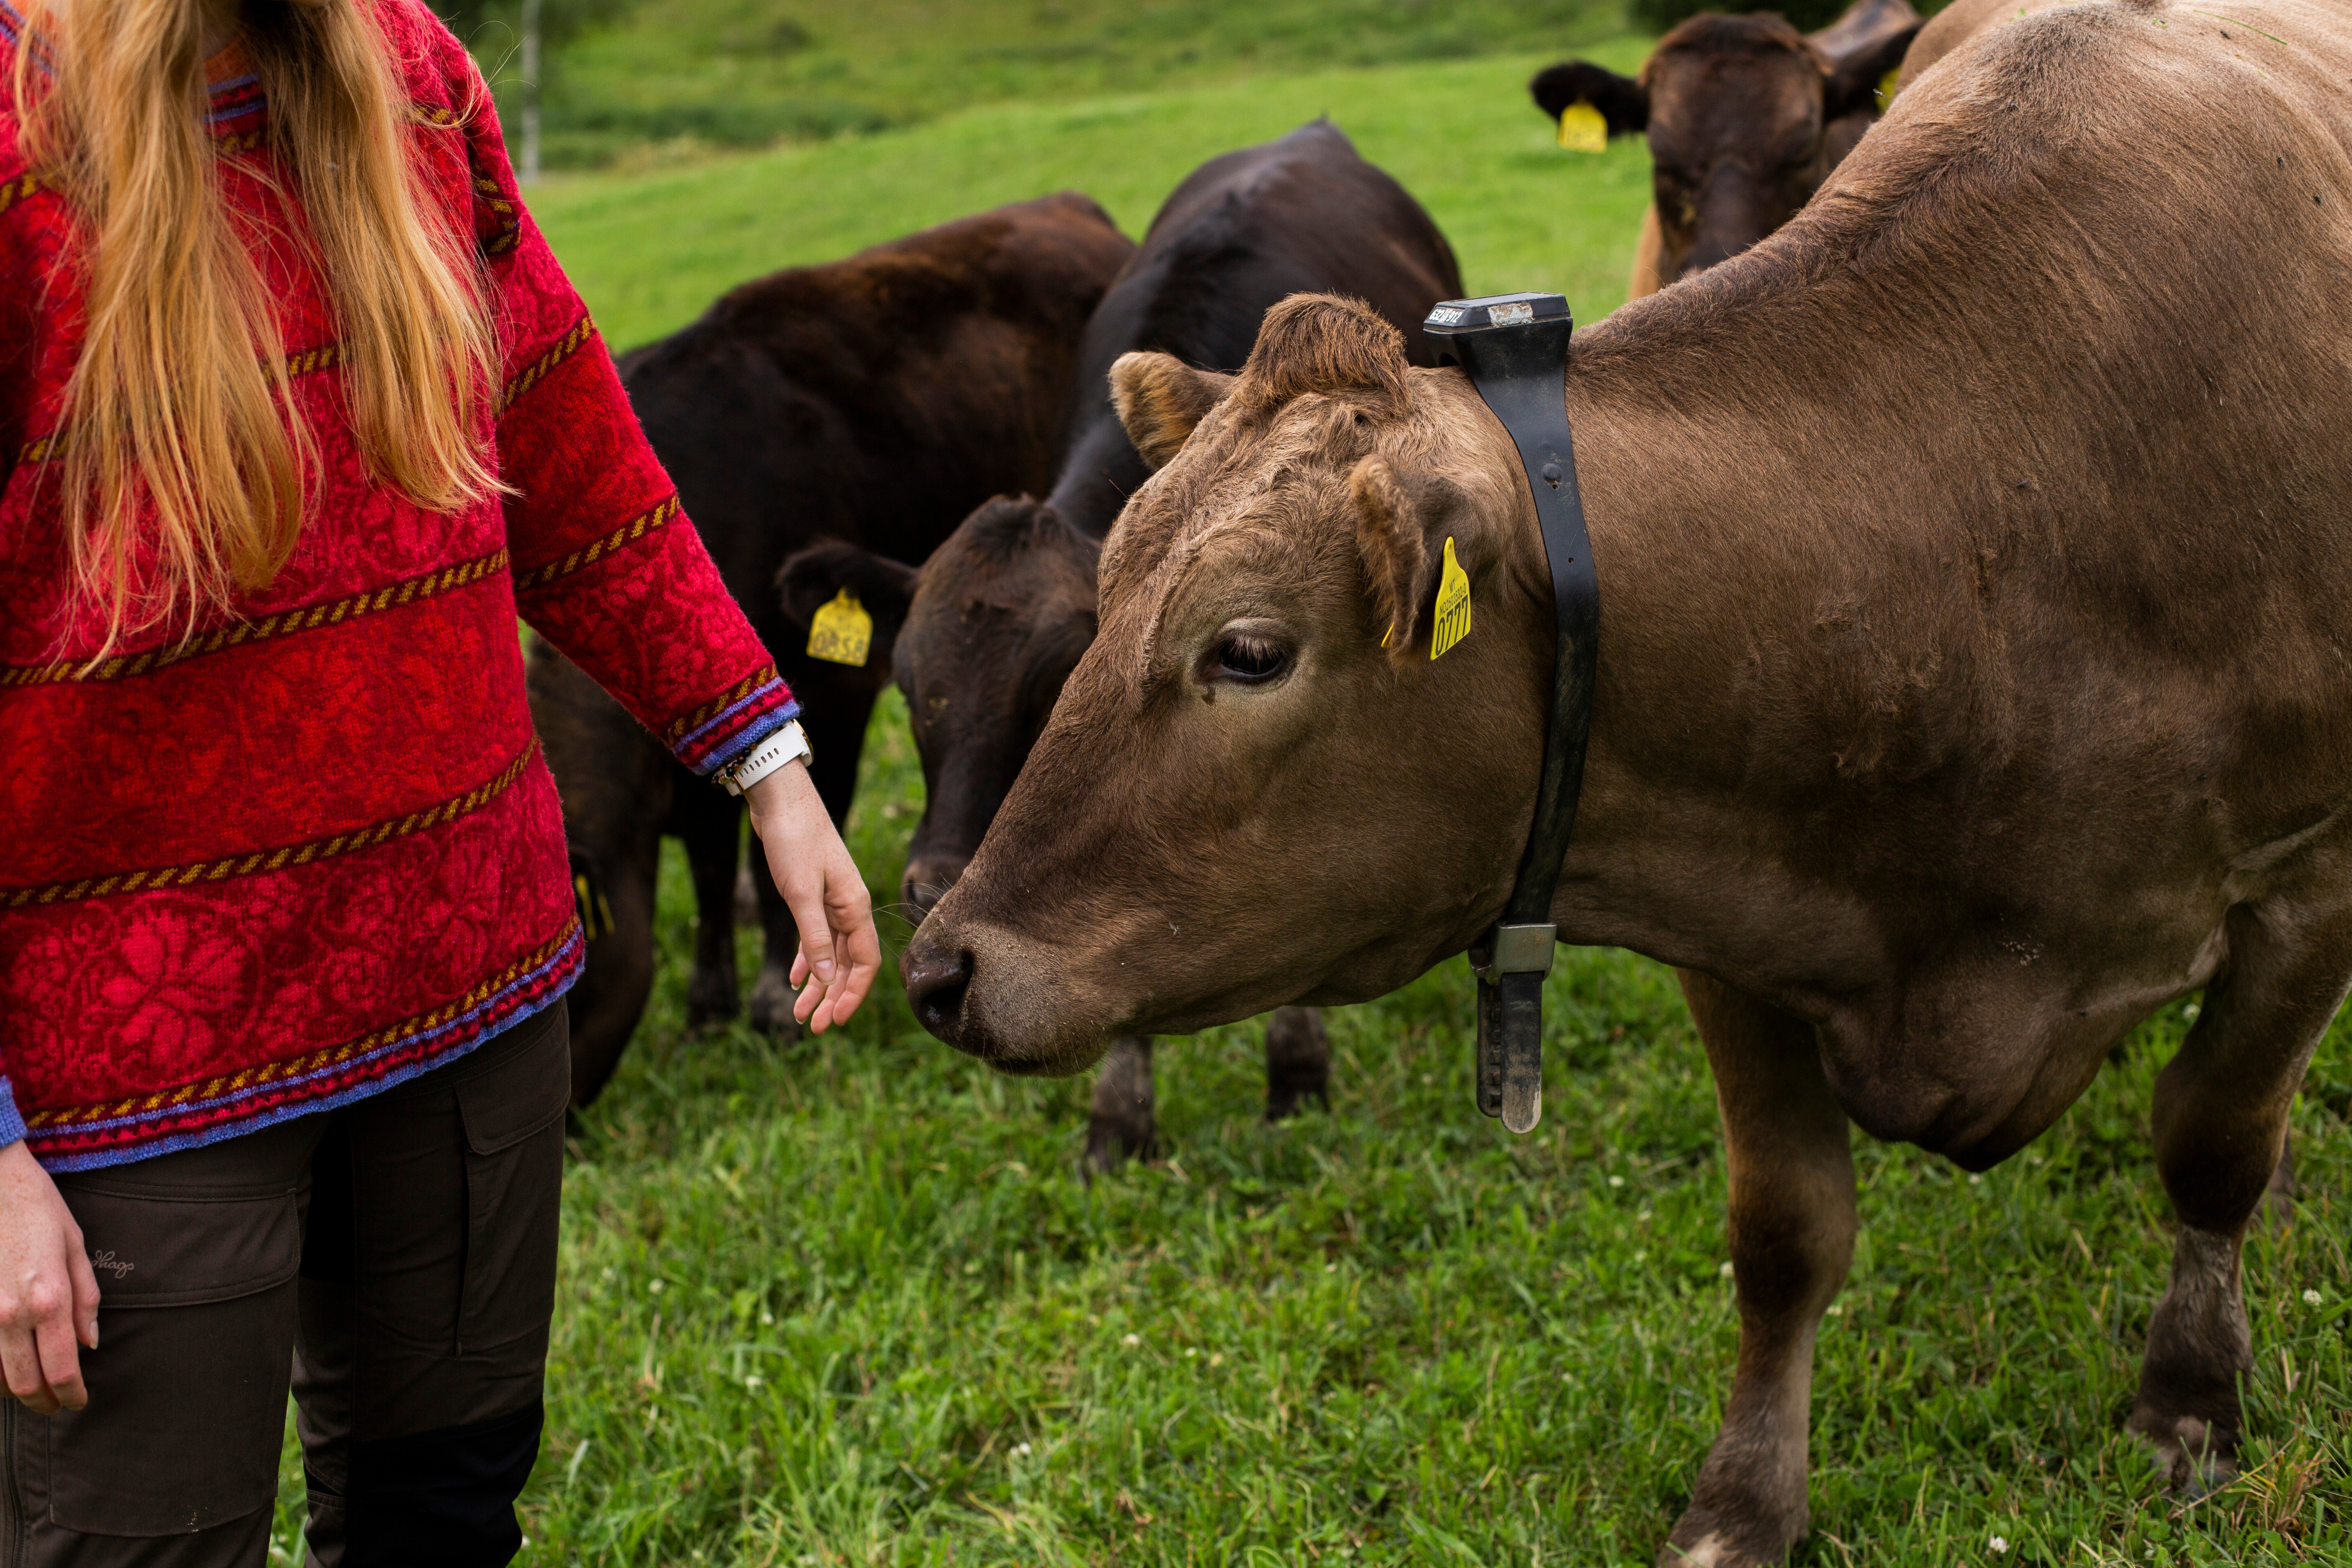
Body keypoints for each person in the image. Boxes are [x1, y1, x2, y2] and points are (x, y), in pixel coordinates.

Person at [0, 0, 881, 1558]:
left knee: (445, 1519)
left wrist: (767, 761)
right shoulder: (19, 145)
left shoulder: (412, 68)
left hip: (469, 999)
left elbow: (570, 442)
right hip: (133, 1086)